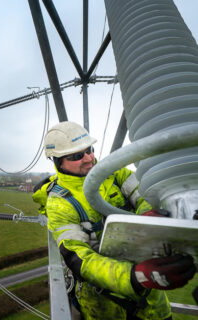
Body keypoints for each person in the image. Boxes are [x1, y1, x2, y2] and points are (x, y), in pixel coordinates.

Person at [32, 121, 196, 320]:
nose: (88, 158)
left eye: (89, 150)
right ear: (58, 161)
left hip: (151, 300)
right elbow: (79, 259)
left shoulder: (112, 173)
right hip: (104, 305)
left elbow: (144, 193)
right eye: (76, 156)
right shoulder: (59, 204)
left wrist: (147, 215)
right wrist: (137, 276)